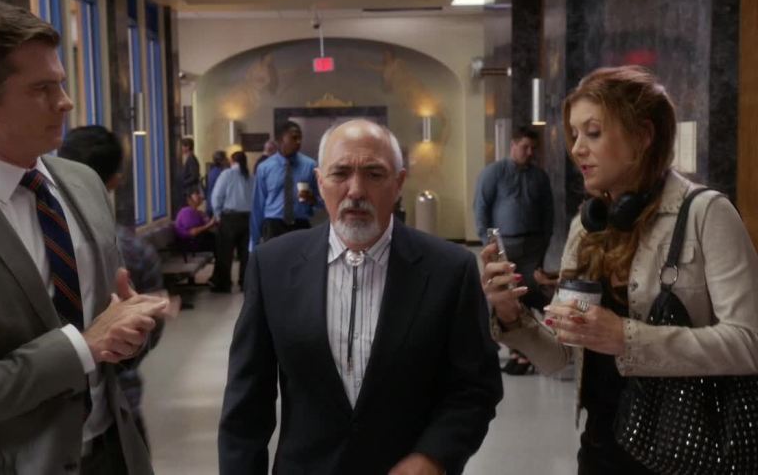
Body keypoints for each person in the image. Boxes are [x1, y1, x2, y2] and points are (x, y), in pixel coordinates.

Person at [483, 66, 758, 474]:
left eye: (593, 133)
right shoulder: (587, 225)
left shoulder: (706, 214)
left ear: (643, 136)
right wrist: (511, 316)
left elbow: (748, 343)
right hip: (602, 447)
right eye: (574, 134)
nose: (577, 149)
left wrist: (626, 338)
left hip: (687, 450)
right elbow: (559, 355)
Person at [219, 119, 502, 474]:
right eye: (340, 173)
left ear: (398, 183)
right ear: (319, 182)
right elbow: (246, 406)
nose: (356, 190)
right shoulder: (273, 267)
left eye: (374, 174)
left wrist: (433, 457)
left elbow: (476, 387)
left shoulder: (449, 270)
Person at [0, 0, 168, 474]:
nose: (66, 102)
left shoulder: (82, 183)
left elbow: (105, 323)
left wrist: (127, 332)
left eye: (62, 83)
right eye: (41, 89)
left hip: (114, 451)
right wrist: (82, 348)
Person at [59, 125, 175, 449]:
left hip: (61, 416)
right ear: (115, 180)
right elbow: (150, 328)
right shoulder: (133, 249)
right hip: (116, 404)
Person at [474, 125, 553, 375]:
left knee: (528, 295)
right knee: (506, 297)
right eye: (525, 147)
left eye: (533, 148)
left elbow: (548, 213)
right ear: (513, 146)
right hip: (504, 247)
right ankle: (512, 351)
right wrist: (488, 244)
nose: (529, 152)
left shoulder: (540, 177)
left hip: (533, 247)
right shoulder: (494, 173)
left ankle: (525, 353)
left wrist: (544, 245)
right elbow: (481, 208)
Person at [249, 121, 319, 248]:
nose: (298, 142)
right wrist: (254, 241)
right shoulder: (265, 168)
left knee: (301, 260)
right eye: (294, 138)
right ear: (280, 140)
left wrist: (312, 199)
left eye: (300, 138)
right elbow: (258, 205)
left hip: (300, 224)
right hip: (273, 225)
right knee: (274, 260)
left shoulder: (310, 166)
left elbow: (323, 199)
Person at [209, 151, 254, 293]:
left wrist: (217, 214)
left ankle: (224, 284)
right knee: (245, 254)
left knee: (225, 253)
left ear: (232, 161)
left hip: (229, 218)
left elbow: (217, 196)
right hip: (248, 218)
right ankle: (245, 283)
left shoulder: (226, 174)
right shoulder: (251, 177)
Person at [175, 188, 217, 253]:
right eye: (197, 194)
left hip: (198, 241)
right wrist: (209, 224)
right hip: (191, 244)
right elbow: (192, 232)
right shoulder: (186, 211)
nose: (200, 196)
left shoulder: (197, 212)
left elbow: (209, 226)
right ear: (189, 199)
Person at [205, 150, 227, 217]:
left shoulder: (212, 171)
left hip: (210, 203)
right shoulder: (221, 173)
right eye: (225, 158)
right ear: (221, 160)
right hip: (216, 205)